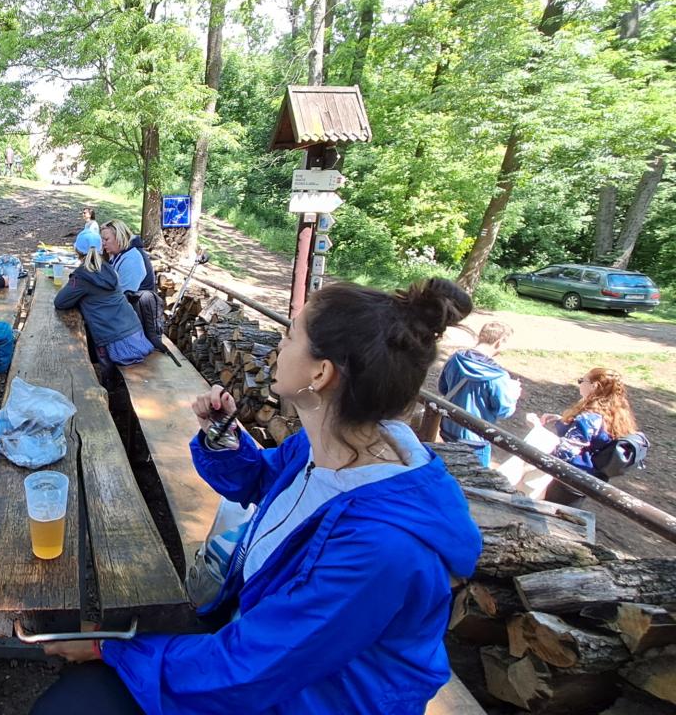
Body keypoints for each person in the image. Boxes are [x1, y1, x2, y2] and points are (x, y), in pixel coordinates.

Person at [33, 278, 483, 715]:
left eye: (291, 335)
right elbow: (263, 483)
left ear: (321, 373)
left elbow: (250, 670)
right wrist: (223, 436)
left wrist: (109, 649)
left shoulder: (381, 546)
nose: (280, 346)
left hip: (315, 697)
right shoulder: (334, 447)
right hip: (260, 642)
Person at [528, 368, 639, 490]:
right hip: (589, 478)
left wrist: (537, 429)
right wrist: (561, 420)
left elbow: (563, 453)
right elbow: (596, 436)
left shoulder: (588, 418)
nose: (579, 383)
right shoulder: (614, 414)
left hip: (566, 480)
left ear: (594, 386)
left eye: (582, 380)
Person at [53, 232, 152, 368]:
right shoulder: (108, 268)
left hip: (116, 342)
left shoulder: (82, 276)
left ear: (77, 251)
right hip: (135, 333)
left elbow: (60, 302)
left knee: (103, 364)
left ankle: (108, 379)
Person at [437, 322, 521, 467]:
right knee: (474, 478)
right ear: (499, 341)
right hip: (475, 438)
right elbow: (504, 410)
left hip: (448, 429)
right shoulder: (497, 375)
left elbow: (443, 388)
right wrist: (514, 394)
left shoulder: (455, 358)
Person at [101, 219, 156, 294]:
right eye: (102, 240)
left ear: (119, 238)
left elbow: (125, 294)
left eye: (106, 239)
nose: (103, 243)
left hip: (135, 300)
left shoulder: (132, 258)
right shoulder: (118, 253)